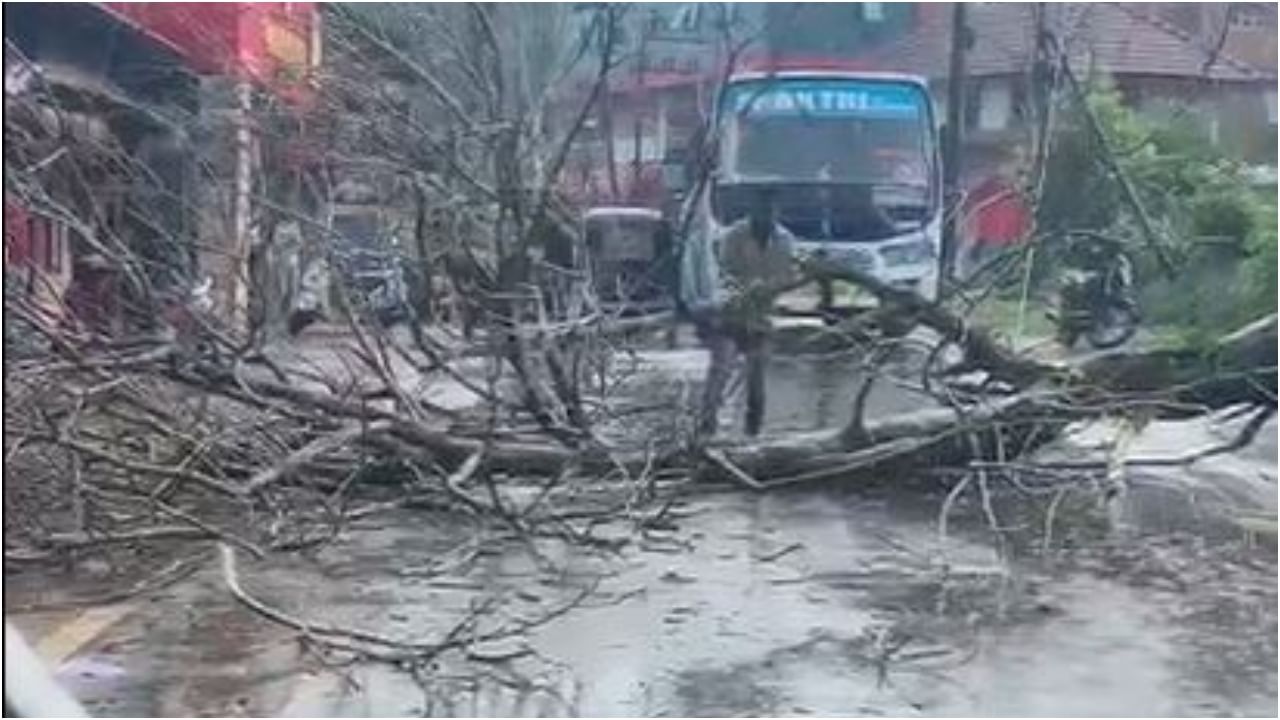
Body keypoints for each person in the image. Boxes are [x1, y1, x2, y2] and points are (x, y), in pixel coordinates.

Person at [697, 188, 797, 438]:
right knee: (721, 370)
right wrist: (745, 290)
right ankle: (706, 429)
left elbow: (786, 277)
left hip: (761, 318)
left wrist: (769, 289)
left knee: (757, 380)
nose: (766, 215)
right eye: (762, 210)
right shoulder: (734, 236)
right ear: (753, 210)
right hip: (729, 315)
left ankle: (754, 435)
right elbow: (724, 275)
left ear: (777, 212)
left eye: (771, 210)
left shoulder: (785, 240)